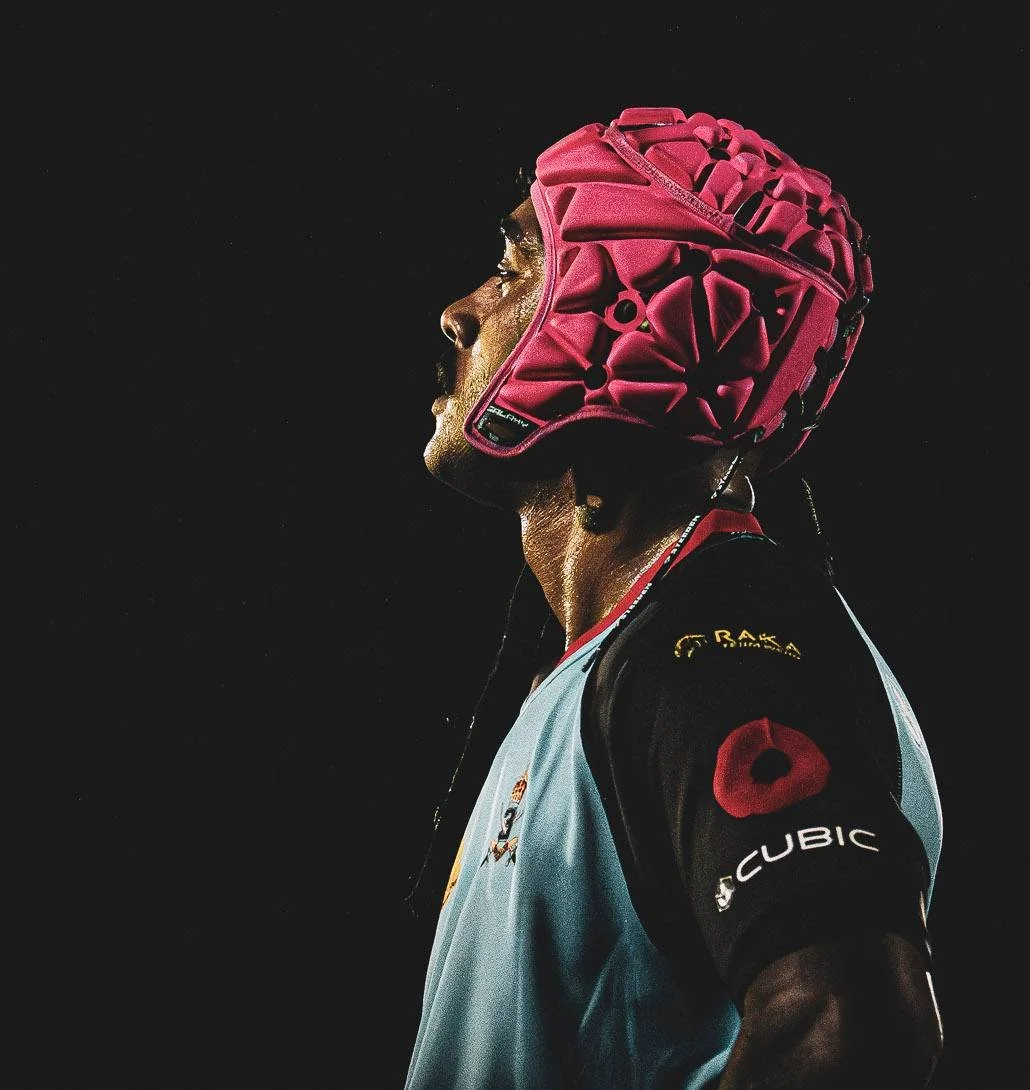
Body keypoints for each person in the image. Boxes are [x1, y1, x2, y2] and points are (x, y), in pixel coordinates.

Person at [404, 105, 945, 1089]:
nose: (463, 309)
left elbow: (850, 1025)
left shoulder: (719, 642)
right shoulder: (616, 659)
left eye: (517, 261)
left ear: (624, 313)